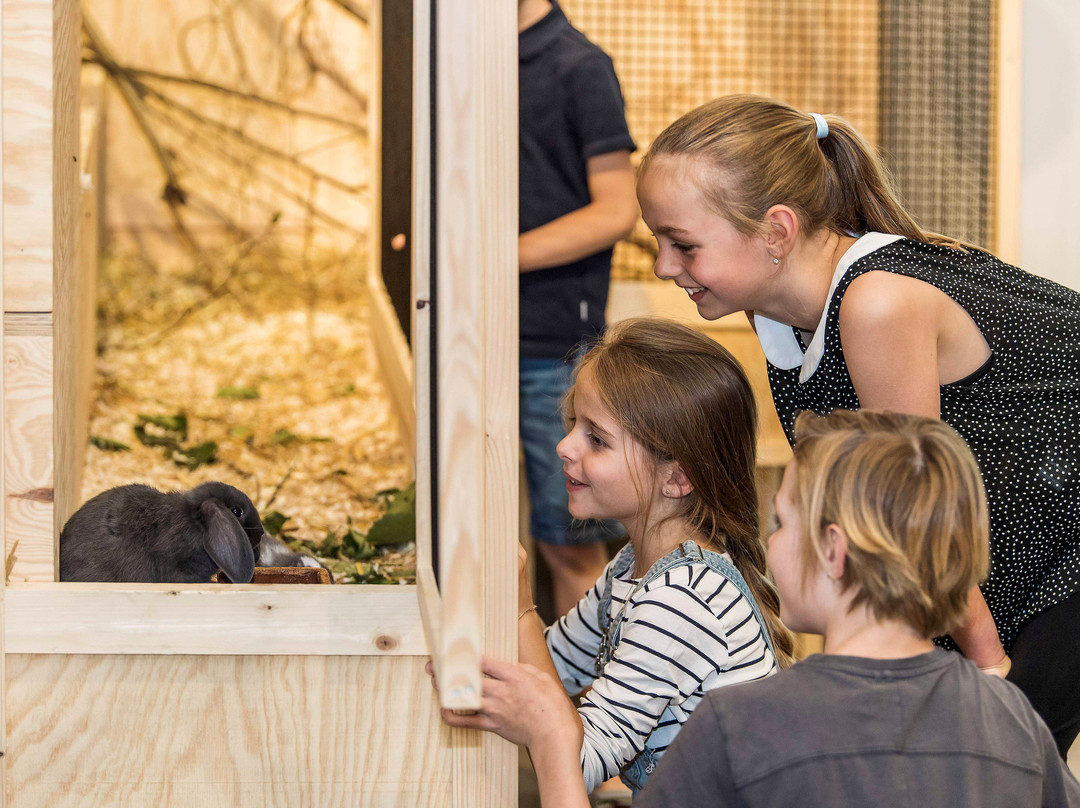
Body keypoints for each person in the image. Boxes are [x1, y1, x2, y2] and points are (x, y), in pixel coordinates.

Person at [636, 93, 1080, 757]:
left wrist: (990, 672)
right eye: (657, 241)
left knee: (999, 757)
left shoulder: (876, 304)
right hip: (1022, 533)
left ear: (777, 233)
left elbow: (909, 512)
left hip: (1057, 547)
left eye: (684, 245)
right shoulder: (779, 314)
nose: (664, 267)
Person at [499, 411, 1080, 807]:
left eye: (783, 522)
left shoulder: (742, 723)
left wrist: (554, 733)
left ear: (833, 550)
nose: (769, 542)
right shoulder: (1011, 715)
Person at [433, 318, 794, 795]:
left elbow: (576, 761)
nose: (564, 447)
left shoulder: (683, 600)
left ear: (676, 478)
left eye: (596, 439)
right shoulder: (632, 568)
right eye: (573, 425)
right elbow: (553, 666)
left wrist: (518, 607)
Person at [516, 0, 639, 620]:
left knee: (568, 546)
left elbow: (617, 207)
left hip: (552, 345)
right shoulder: (465, 67)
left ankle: (596, 713)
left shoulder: (579, 65)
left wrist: (499, 257)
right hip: (471, 334)